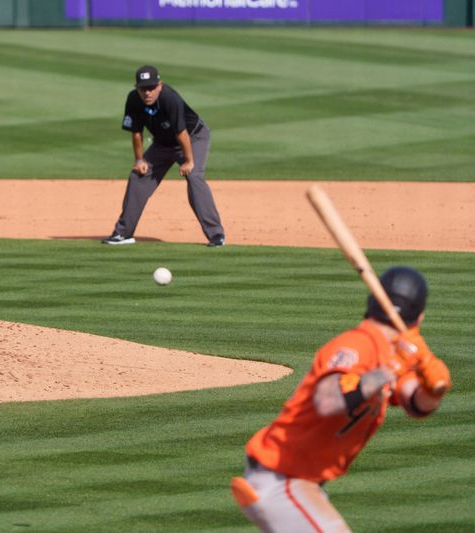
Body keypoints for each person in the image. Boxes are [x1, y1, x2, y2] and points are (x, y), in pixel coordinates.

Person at [230, 266, 452, 532]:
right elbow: (327, 399)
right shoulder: (358, 345)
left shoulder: (391, 354)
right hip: (280, 478)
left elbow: (417, 404)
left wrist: (433, 386)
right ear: (420, 317)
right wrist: (390, 370)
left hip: (298, 483)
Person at [102, 65, 225, 247]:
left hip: (193, 137)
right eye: (143, 88)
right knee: (138, 177)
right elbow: (136, 132)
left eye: (151, 88)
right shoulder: (133, 100)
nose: (147, 93)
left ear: (160, 85)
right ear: (137, 88)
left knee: (194, 176)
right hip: (162, 143)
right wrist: (139, 160)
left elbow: (181, 132)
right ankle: (123, 233)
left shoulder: (170, 98)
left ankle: (216, 235)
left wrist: (189, 161)